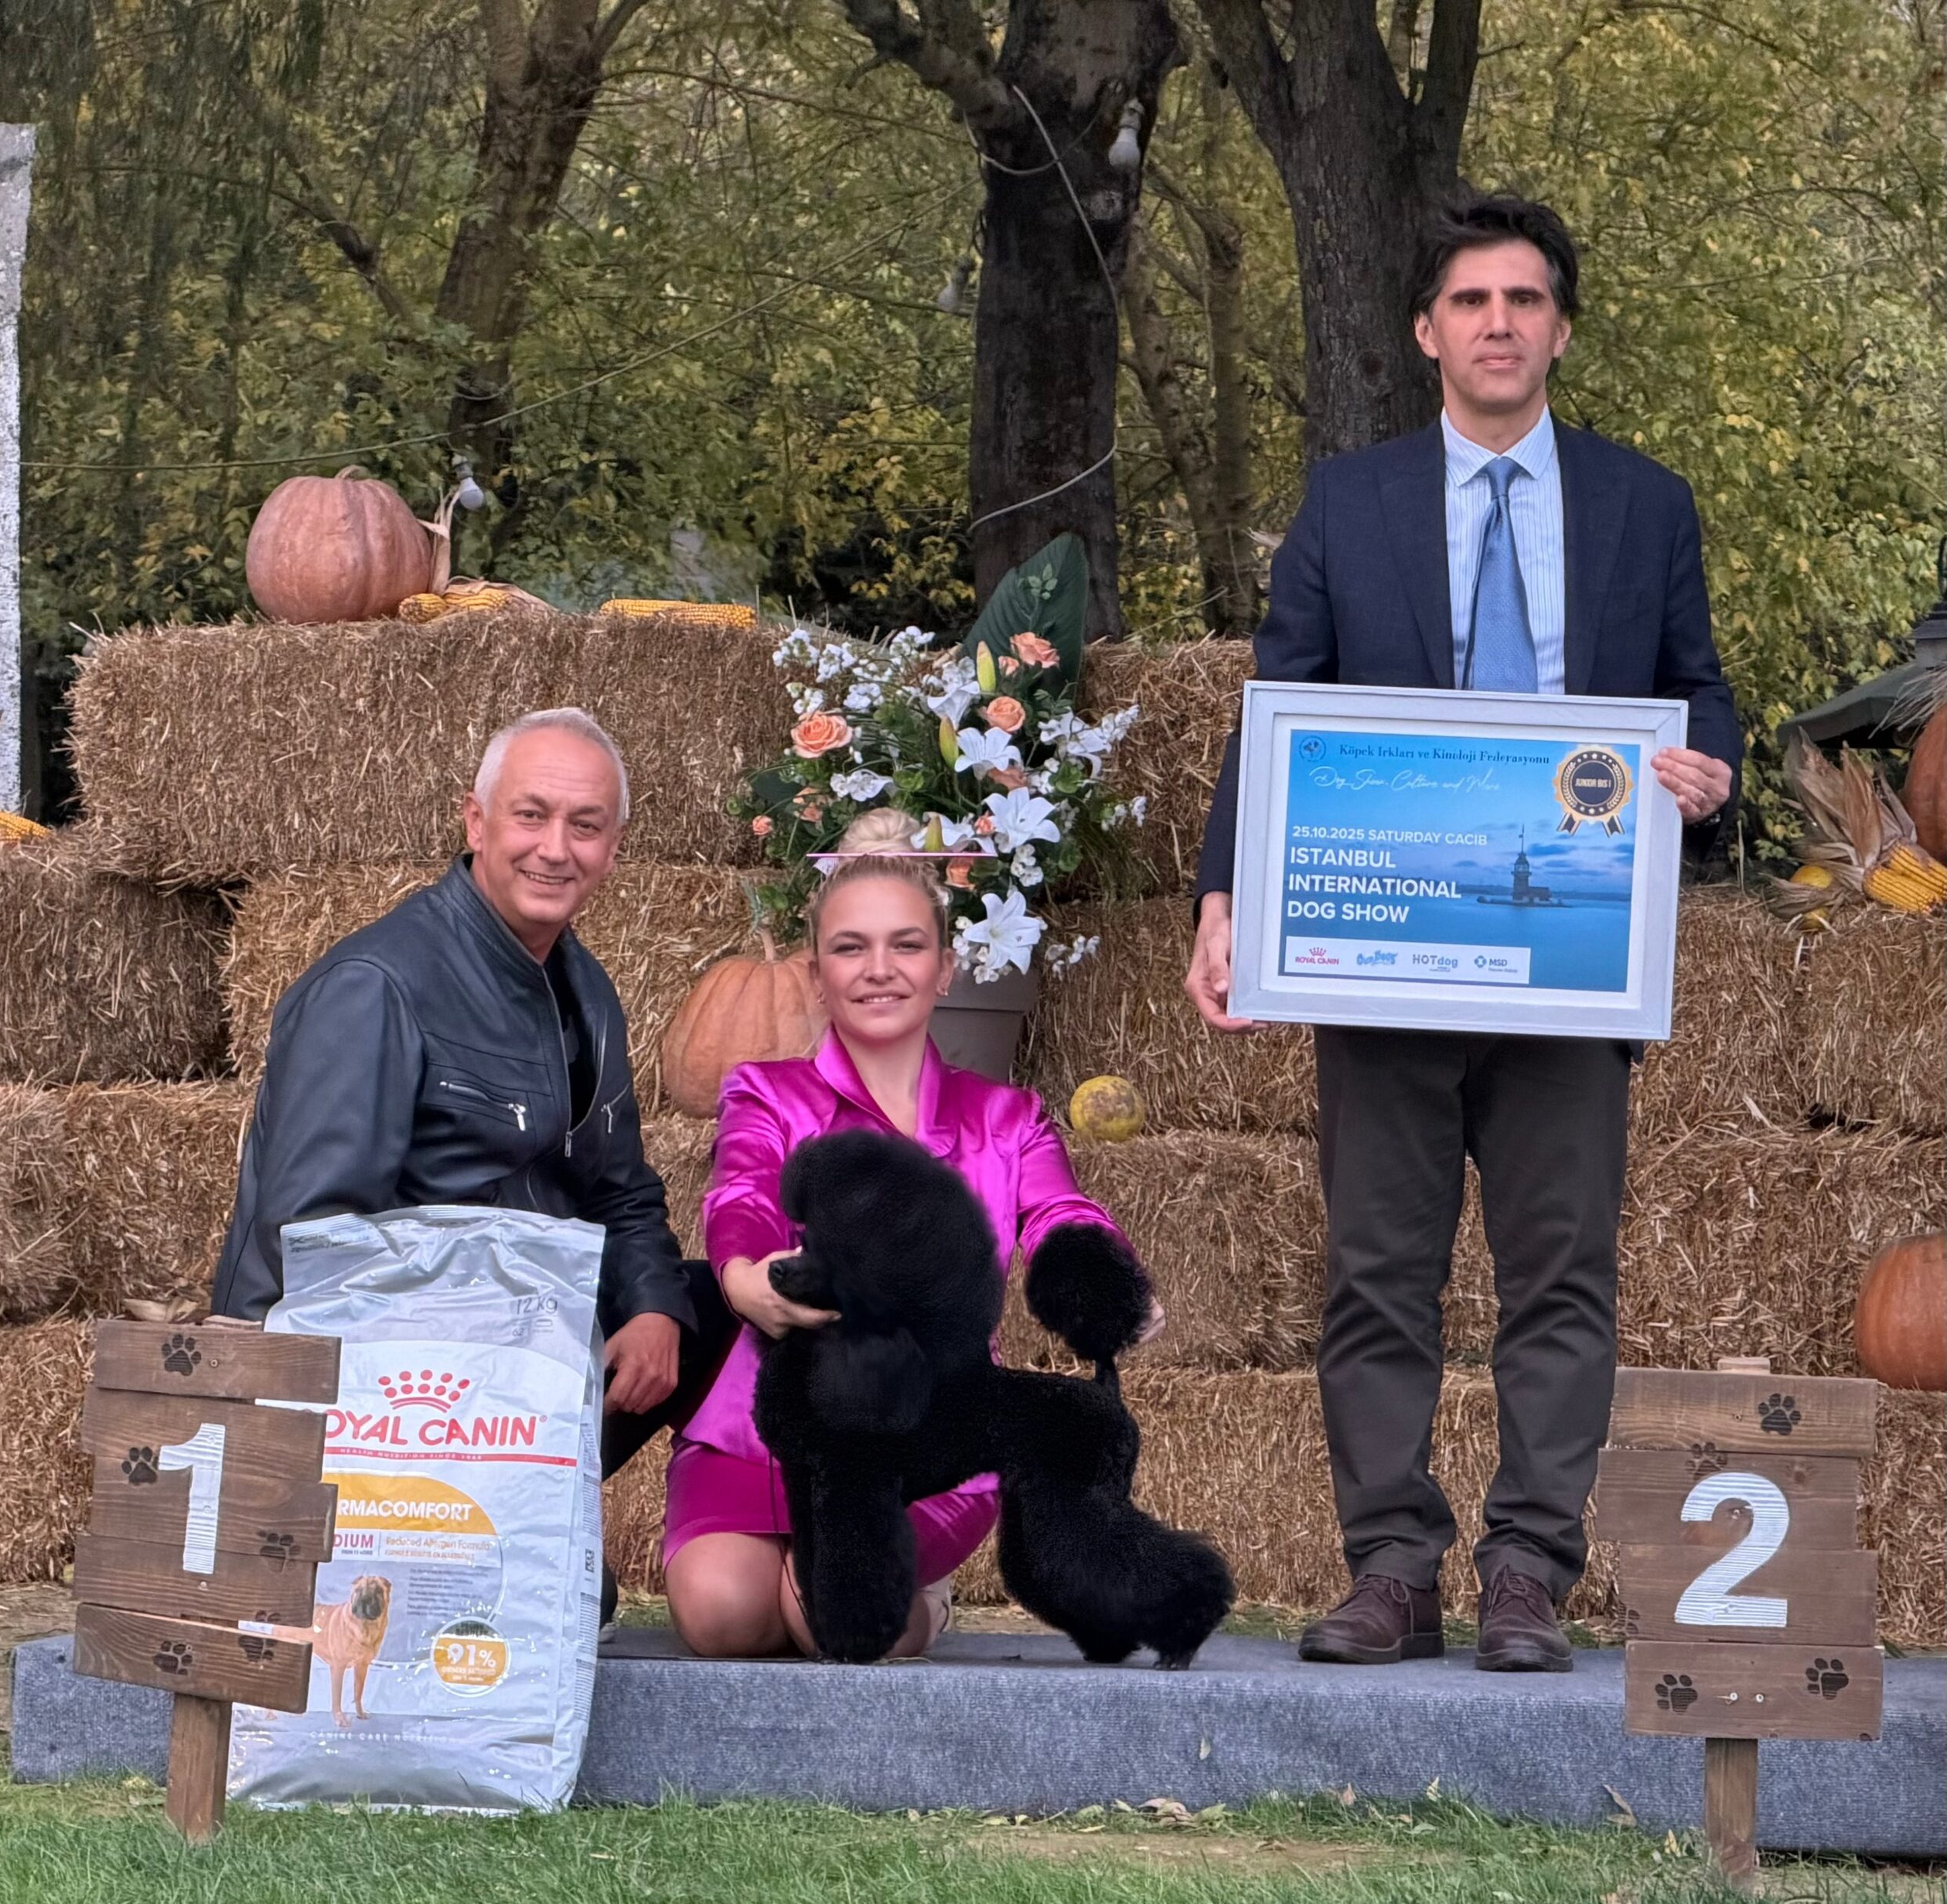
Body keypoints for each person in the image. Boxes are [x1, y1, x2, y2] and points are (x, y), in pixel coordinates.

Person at [1185, 193, 1741, 1673]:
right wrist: (1225, 897)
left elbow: (1700, 690)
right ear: (1427, 330)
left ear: (1561, 330)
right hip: (1386, 961)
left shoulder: (1645, 505)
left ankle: (1528, 1572)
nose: (1500, 322)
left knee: (1561, 1278)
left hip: (1573, 959)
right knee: (1379, 1274)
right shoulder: (1347, 501)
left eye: (1526, 299)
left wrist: (1709, 772)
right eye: (1473, 300)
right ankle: (1390, 1567)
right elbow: (1276, 708)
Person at [213, 709, 738, 1595]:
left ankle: (739, 1568)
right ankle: (466, 1531)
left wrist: (653, 1308)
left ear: (613, 848)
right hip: (389, 1390)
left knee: (716, 1310)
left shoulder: (584, 989)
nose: (555, 849)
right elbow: (312, 1248)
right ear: (476, 822)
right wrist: (495, 1332)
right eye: (531, 815)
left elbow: (621, 1189)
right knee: (558, 1611)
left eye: (585, 825)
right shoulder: (376, 988)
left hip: (515, 1361)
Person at [662, 810, 1161, 1661]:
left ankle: (924, 1598)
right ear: (815, 972)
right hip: (763, 1425)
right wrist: (743, 1275)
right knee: (723, 1614)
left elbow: (1060, 1212)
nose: (879, 970)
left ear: (945, 966)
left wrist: (1104, 1276)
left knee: (832, 1623)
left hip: (929, 1427)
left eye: (906, 945)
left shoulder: (1008, 1117)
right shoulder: (764, 1091)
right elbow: (740, 1190)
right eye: (850, 947)